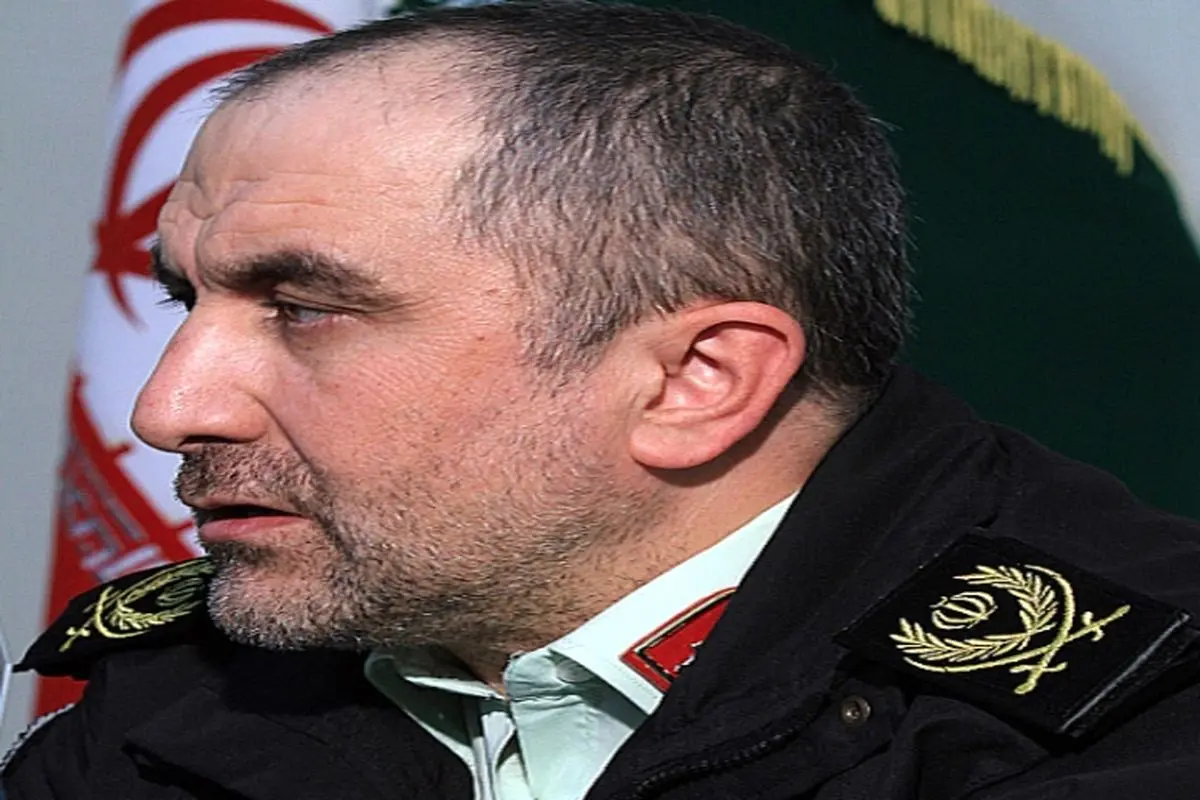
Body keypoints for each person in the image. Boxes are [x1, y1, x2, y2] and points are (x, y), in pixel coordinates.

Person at [5, 2, 1200, 797]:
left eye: (304, 308)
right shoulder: (189, 679)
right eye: (185, 300)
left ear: (694, 381)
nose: (168, 408)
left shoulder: (1138, 719)